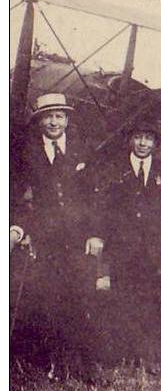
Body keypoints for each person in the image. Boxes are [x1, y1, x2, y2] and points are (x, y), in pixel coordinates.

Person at [10, 93, 104, 376]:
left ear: (67, 119)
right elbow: (17, 195)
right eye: (48, 116)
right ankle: (53, 362)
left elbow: (95, 197)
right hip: (45, 236)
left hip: (79, 237)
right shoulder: (26, 152)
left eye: (59, 116)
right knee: (48, 297)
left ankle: (85, 364)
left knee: (80, 296)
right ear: (39, 121)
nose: (54, 122)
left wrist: (95, 233)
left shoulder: (83, 149)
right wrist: (18, 228)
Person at [92, 116, 161, 362]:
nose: (142, 143)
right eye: (138, 137)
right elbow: (103, 206)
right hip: (121, 247)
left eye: (148, 139)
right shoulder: (115, 169)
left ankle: (141, 354)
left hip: (151, 249)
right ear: (131, 140)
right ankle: (117, 353)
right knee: (120, 298)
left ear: (155, 143)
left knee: (147, 301)